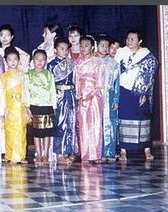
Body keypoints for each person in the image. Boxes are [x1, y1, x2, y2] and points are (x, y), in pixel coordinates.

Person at [114, 30, 158, 161]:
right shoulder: (121, 52)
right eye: (128, 38)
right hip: (123, 91)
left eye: (132, 39)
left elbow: (149, 76)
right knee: (123, 118)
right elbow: (114, 71)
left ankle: (147, 150)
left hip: (139, 92)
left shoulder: (147, 55)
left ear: (140, 41)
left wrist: (144, 92)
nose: (129, 41)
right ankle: (123, 151)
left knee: (142, 119)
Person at [75, 35, 104, 163]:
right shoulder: (76, 63)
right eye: (81, 46)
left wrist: (91, 94)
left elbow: (101, 82)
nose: (83, 48)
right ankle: (85, 155)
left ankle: (96, 154)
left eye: (86, 45)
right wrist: (79, 96)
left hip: (94, 97)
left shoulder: (98, 62)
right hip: (82, 96)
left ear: (92, 47)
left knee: (95, 124)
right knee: (83, 125)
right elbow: (75, 81)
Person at [47, 38, 77, 164]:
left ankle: (69, 150)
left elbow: (75, 80)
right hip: (59, 96)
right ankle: (59, 153)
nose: (64, 51)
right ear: (55, 50)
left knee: (71, 123)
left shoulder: (71, 63)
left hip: (70, 95)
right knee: (60, 124)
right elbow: (49, 84)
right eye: (61, 49)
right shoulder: (51, 65)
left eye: (66, 49)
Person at [25, 49, 56, 165]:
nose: (39, 62)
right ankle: (38, 153)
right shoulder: (28, 75)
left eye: (42, 60)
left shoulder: (49, 74)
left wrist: (54, 106)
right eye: (37, 59)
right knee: (37, 132)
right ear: (33, 60)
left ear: (46, 61)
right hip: (35, 105)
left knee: (47, 132)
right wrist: (27, 106)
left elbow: (52, 91)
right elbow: (26, 91)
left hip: (47, 106)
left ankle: (45, 155)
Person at [1, 47, 28, 164]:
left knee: (22, 131)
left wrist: (27, 106)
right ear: (6, 61)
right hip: (9, 107)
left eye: (15, 59)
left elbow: (26, 92)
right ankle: (11, 156)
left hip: (20, 107)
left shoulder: (23, 75)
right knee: (10, 131)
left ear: (19, 60)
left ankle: (22, 156)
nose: (12, 62)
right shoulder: (3, 77)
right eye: (9, 59)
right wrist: (3, 109)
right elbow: (1, 93)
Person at [97, 35, 121, 163]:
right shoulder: (93, 61)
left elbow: (117, 82)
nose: (105, 48)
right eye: (102, 45)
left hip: (110, 96)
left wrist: (116, 100)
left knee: (111, 125)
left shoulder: (114, 63)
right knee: (97, 124)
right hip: (96, 97)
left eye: (107, 46)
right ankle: (98, 152)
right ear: (97, 46)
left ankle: (110, 152)